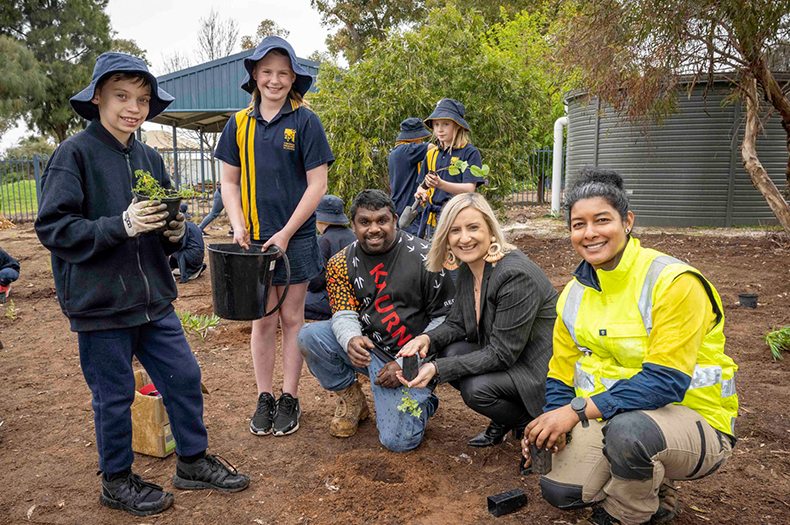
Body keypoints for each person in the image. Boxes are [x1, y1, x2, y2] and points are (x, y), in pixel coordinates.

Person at [34, 52, 249, 517]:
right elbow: (54, 229)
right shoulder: (74, 155)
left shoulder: (149, 156)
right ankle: (116, 480)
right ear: (98, 98)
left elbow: (167, 219)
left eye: (143, 99)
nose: (133, 107)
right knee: (114, 396)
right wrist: (121, 225)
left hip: (154, 297)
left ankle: (192, 462)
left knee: (184, 377)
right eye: (122, 97)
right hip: (101, 301)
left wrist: (174, 234)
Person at [523, 168, 738, 525]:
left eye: (602, 220)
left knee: (631, 435)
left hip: (695, 418)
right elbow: (562, 371)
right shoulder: (574, 295)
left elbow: (665, 381)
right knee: (560, 491)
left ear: (627, 222)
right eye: (578, 225)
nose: (589, 233)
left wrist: (574, 413)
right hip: (619, 415)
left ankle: (628, 514)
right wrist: (554, 420)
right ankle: (652, 485)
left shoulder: (672, 282)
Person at [215, 36, 334, 437]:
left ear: (293, 78)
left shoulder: (305, 121)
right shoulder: (239, 123)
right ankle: (264, 397)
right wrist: (238, 223)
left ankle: (289, 397)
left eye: (283, 73)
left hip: (294, 238)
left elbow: (317, 185)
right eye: (267, 71)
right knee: (262, 320)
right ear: (254, 75)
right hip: (252, 241)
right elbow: (228, 182)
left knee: (291, 317)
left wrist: (285, 233)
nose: (275, 79)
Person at [396, 193, 557, 461]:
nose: (464, 238)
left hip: (539, 369)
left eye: (473, 228)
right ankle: (503, 418)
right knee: (450, 351)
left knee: (476, 389)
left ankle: (531, 427)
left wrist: (436, 369)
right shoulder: (470, 268)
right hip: (512, 356)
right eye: (455, 230)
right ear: (446, 237)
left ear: (491, 231)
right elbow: (458, 323)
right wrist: (426, 339)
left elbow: (502, 354)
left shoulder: (514, 274)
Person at [297, 190, 455, 451]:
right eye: (365, 222)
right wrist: (351, 339)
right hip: (372, 350)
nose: (374, 229)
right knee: (309, 336)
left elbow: (446, 320)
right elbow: (343, 313)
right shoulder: (340, 262)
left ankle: (424, 400)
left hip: (414, 356)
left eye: (381, 221)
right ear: (353, 224)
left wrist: (407, 363)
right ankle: (351, 398)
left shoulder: (426, 256)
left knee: (399, 442)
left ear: (394, 219)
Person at [414, 99, 485, 239]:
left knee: (455, 259)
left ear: (457, 126)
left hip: (458, 217)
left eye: (446, 124)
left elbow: (470, 189)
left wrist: (441, 184)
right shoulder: (431, 154)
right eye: (436, 124)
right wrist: (421, 192)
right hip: (433, 220)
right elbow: (422, 186)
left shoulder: (469, 152)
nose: (440, 129)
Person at [305, 195, 357, 321]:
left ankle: (331, 315)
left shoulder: (324, 240)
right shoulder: (353, 235)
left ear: (319, 219)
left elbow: (315, 284)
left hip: (336, 298)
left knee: (292, 303)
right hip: (356, 297)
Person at [388, 117, 432, 235]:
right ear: (415, 137)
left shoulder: (395, 152)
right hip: (409, 211)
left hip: (399, 207)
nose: (421, 142)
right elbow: (432, 148)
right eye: (421, 139)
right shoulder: (408, 150)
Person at [169, 203, 207, 282]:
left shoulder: (184, 226)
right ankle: (180, 269)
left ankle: (186, 273)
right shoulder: (193, 225)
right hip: (199, 256)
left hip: (192, 256)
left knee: (175, 250)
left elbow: (182, 245)